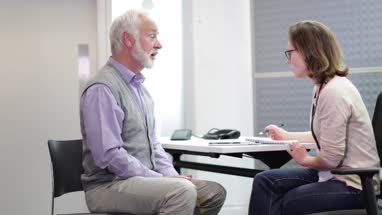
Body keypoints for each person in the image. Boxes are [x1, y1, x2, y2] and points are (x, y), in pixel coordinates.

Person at [80, 9, 226, 215]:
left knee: (213, 192)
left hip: (140, 182)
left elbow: (153, 146)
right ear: (128, 40)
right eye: (152, 36)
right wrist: (163, 180)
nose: (159, 44)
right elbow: (109, 156)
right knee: (180, 192)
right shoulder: (102, 89)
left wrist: (172, 176)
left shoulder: (141, 89)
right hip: (108, 186)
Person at [248, 20, 380, 215]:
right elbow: (325, 136)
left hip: (355, 184)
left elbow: (331, 159)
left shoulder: (334, 92)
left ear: (308, 51)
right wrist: (286, 135)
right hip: (334, 175)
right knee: (265, 181)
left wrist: (305, 160)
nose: (287, 60)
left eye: (289, 53)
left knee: (286, 201)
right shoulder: (322, 87)